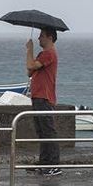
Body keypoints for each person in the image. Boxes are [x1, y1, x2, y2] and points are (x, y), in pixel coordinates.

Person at [26, 28, 62, 176]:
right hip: (38, 96)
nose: (39, 38)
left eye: (41, 36)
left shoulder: (49, 53)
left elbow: (30, 66)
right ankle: (44, 163)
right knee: (42, 132)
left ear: (50, 37)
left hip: (44, 97)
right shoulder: (43, 54)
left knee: (48, 132)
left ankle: (53, 164)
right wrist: (31, 55)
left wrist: (29, 50)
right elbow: (29, 71)